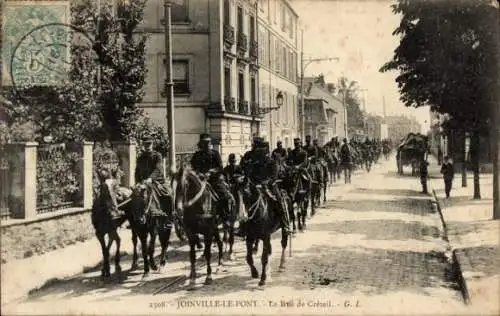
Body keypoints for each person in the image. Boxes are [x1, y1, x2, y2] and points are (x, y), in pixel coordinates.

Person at [190, 133, 234, 209]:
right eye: (204, 143)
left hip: (214, 180)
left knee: (224, 197)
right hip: (199, 180)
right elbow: (193, 167)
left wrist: (210, 172)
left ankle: (225, 217)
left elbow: (220, 167)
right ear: (201, 144)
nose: (206, 145)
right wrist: (198, 173)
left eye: (208, 143)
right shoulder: (196, 155)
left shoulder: (215, 154)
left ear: (210, 143)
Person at [135, 135, 172, 217]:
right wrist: (137, 182)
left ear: (152, 144)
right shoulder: (140, 157)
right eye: (145, 144)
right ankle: (135, 217)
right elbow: (137, 172)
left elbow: (158, 169)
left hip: (157, 182)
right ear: (143, 145)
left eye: (149, 144)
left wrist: (150, 179)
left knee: (168, 195)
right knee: (133, 198)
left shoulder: (157, 155)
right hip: (143, 183)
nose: (147, 146)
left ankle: (169, 218)